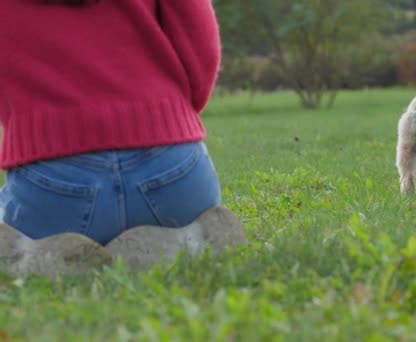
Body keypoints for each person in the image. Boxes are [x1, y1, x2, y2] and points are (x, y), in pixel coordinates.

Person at [0, 0, 247, 278]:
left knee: (9, 220)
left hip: (53, 184)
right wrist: (171, 119)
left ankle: (41, 255)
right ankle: (189, 242)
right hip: (174, 169)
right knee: (195, 217)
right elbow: (201, 45)